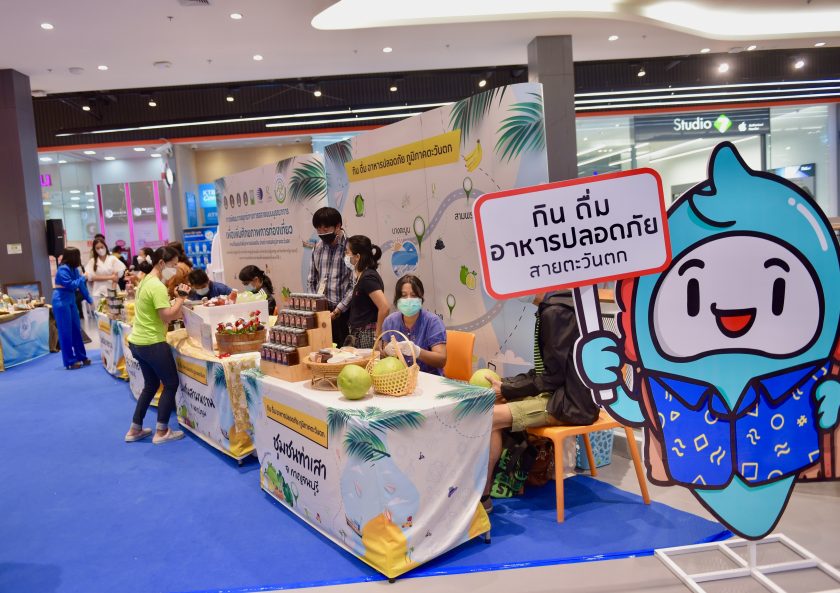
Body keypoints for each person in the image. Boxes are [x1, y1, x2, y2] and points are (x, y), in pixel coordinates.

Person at [480, 290, 600, 513]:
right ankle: (490, 487)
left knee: (489, 418)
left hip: (570, 403)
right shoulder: (559, 306)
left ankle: (482, 498)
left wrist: (507, 388)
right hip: (566, 395)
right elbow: (547, 371)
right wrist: (508, 385)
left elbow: (552, 377)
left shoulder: (555, 312)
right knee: (494, 406)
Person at [125, 245, 190, 445]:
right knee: (170, 383)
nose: (175, 269)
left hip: (137, 342)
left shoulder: (146, 281)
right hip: (152, 343)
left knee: (151, 385)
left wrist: (175, 301)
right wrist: (180, 299)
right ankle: (162, 431)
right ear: (161, 263)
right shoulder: (157, 286)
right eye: (173, 265)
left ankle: (135, 428)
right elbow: (167, 316)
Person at [380, 274, 447, 374]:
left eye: (414, 295)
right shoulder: (390, 322)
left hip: (429, 378)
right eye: (403, 295)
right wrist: (386, 352)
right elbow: (384, 358)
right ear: (397, 298)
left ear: (421, 297)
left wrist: (418, 352)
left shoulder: (432, 322)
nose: (409, 299)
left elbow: (441, 360)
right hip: (400, 378)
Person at [307, 207, 352, 347]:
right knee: (324, 350)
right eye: (318, 230)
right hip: (322, 310)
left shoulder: (350, 248)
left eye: (325, 229)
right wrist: (315, 304)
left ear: (338, 226)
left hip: (344, 312)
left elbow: (354, 285)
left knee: (344, 351)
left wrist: (338, 310)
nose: (322, 233)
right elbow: (311, 280)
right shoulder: (317, 247)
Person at [344, 235, 389, 348]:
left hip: (366, 336)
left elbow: (384, 307)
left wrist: (378, 336)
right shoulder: (361, 276)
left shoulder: (368, 278)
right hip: (358, 334)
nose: (345, 255)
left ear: (357, 256)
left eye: (348, 252)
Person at [52, 247, 93, 370]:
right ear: (74, 257)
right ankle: (70, 361)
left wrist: (90, 300)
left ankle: (81, 356)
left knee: (76, 329)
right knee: (65, 332)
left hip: (70, 300)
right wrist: (83, 278)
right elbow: (71, 285)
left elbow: (81, 286)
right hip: (61, 301)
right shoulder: (62, 269)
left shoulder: (74, 269)